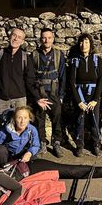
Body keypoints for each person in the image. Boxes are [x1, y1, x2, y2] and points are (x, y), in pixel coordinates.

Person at [32, 28, 66, 158]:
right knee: (39, 119)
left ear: (53, 39)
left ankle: (56, 143)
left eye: (49, 38)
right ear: (41, 39)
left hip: (54, 93)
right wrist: (35, 96)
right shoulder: (34, 55)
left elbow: (63, 76)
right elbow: (30, 76)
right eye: (44, 38)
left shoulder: (58, 55)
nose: (47, 40)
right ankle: (42, 143)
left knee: (57, 118)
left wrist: (61, 95)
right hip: (40, 93)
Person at [69, 33, 102, 157]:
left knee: (95, 121)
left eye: (87, 42)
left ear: (90, 44)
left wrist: (95, 99)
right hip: (80, 95)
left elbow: (100, 80)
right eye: (82, 42)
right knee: (80, 121)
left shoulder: (96, 60)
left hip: (93, 95)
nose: (84, 45)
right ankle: (79, 145)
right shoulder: (75, 61)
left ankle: (96, 145)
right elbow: (72, 82)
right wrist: (79, 101)